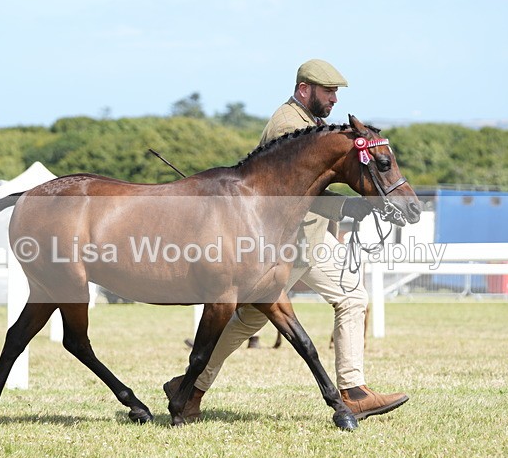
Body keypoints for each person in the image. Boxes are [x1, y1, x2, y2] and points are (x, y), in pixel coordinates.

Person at [165, 59, 409, 421]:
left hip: (310, 239)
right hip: (285, 244)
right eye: (328, 92)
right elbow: (288, 190)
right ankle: (190, 385)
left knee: (352, 297)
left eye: (336, 93)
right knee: (249, 319)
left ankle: (354, 390)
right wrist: (345, 209)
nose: (334, 100)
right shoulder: (287, 124)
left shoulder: (312, 124)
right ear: (304, 89)